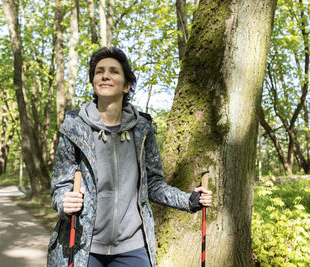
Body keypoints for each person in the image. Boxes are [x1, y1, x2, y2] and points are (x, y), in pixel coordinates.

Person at [47, 47, 212, 267]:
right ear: (94, 82)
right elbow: (61, 185)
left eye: (114, 71)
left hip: (132, 247)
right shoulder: (74, 127)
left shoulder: (142, 130)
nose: (105, 75)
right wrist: (64, 200)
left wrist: (189, 200)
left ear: (126, 86)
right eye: (99, 71)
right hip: (83, 245)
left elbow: (153, 185)